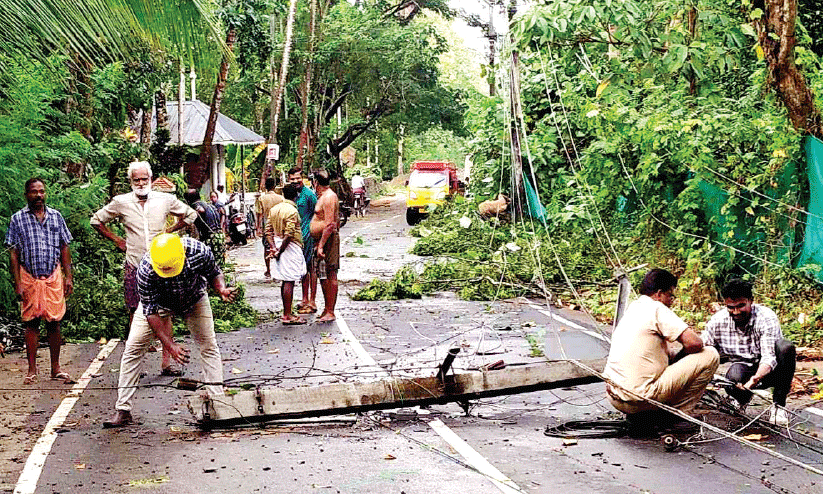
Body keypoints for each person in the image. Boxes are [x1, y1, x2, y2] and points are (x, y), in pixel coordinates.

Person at [103, 234, 236, 428]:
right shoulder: (146, 269)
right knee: (132, 349)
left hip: (194, 298)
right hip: (159, 304)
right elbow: (150, 313)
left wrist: (221, 289)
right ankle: (123, 410)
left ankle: (218, 403)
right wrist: (170, 345)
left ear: (182, 257)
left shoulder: (199, 251)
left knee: (208, 345)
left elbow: (214, 273)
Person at [91, 161, 197, 376]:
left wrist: (170, 231)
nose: (140, 183)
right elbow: (96, 220)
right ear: (130, 181)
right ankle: (135, 366)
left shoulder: (165, 199)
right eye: (136, 180)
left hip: (162, 266)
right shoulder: (121, 202)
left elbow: (191, 215)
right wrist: (116, 240)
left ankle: (167, 362)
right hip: (135, 264)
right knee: (134, 312)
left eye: (144, 179)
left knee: (165, 313)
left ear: (151, 179)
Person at [604, 269, 719, 429]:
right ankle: (675, 415)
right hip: (640, 399)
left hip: (615, 397)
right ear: (659, 294)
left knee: (669, 352)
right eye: (670, 295)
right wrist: (681, 357)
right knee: (710, 354)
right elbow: (695, 343)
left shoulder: (633, 308)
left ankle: (646, 415)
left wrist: (675, 357)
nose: (671, 301)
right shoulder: (656, 308)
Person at [6, 177, 74, 384]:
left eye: (42, 191)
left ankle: (56, 368)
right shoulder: (18, 219)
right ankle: (32, 370)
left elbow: (64, 247)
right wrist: (18, 282)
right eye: (34, 192)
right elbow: (13, 252)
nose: (39, 196)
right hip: (29, 275)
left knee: (54, 322)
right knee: (31, 322)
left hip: (53, 275)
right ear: (26, 194)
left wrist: (68, 276)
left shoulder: (55, 216)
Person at [702, 278, 796, 425]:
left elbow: (769, 358)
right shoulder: (717, 321)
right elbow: (704, 349)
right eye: (731, 307)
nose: (736, 312)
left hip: (769, 370)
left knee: (786, 348)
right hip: (742, 367)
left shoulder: (766, 318)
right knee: (732, 376)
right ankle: (741, 398)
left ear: (751, 301)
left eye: (741, 306)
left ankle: (779, 405)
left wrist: (754, 380)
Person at [265, 183, 307, 325]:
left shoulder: (274, 209)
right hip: (289, 246)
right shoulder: (292, 211)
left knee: (285, 280)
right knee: (289, 280)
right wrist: (279, 251)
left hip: (278, 243)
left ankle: (286, 312)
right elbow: (289, 234)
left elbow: (268, 231)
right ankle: (288, 315)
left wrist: (273, 248)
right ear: (296, 196)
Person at [310, 170, 340, 323]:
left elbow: (329, 224)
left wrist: (321, 245)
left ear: (316, 182)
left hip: (328, 240)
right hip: (323, 239)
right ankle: (327, 308)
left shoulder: (328, 197)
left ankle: (330, 310)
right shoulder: (325, 196)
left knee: (330, 274)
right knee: (323, 275)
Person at [287, 167, 318, 315]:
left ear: (303, 178)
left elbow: (317, 214)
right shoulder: (291, 195)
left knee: (311, 268)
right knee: (301, 269)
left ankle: (311, 300)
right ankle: (304, 299)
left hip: (308, 237)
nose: (295, 181)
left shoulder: (309, 195)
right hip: (296, 239)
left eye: (297, 178)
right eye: (292, 179)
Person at [184, 188, 225, 266]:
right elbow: (222, 213)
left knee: (209, 265)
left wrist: (191, 216)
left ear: (188, 200)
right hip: (219, 236)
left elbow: (201, 210)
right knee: (218, 264)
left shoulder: (195, 205)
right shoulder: (209, 205)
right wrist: (222, 226)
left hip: (211, 238)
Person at [255, 177, 283, 278]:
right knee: (279, 246)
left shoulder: (262, 199)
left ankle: (268, 270)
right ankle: (279, 269)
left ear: (266, 187)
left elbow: (259, 214)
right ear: (274, 186)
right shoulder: (281, 198)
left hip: (267, 225)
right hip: (279, 226)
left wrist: (258, 227)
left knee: (267, 248)